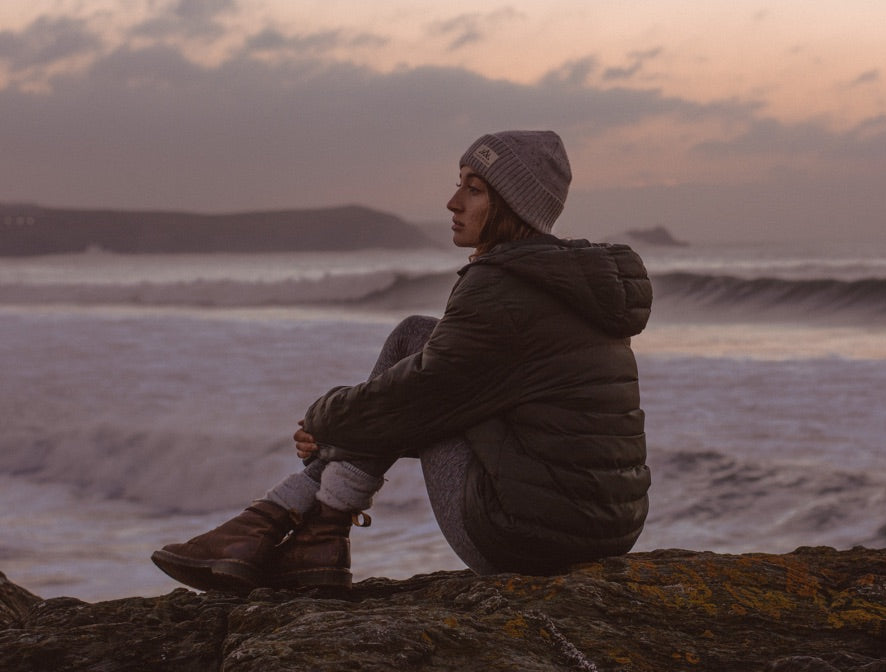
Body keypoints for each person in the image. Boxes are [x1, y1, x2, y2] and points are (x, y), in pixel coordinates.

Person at [151, 130, 652, 592]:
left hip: (523, 541)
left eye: (474, 190)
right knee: (417, 347)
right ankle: (311, 536)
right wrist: (350, 427)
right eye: (458, 185)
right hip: (602, 534)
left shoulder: (503, 286)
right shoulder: (576, 287)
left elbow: (417, 399)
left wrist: (327, 420)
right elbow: (467, 415)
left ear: (511, 204)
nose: (452, 202)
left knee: (413, 345)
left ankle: (288, 524)